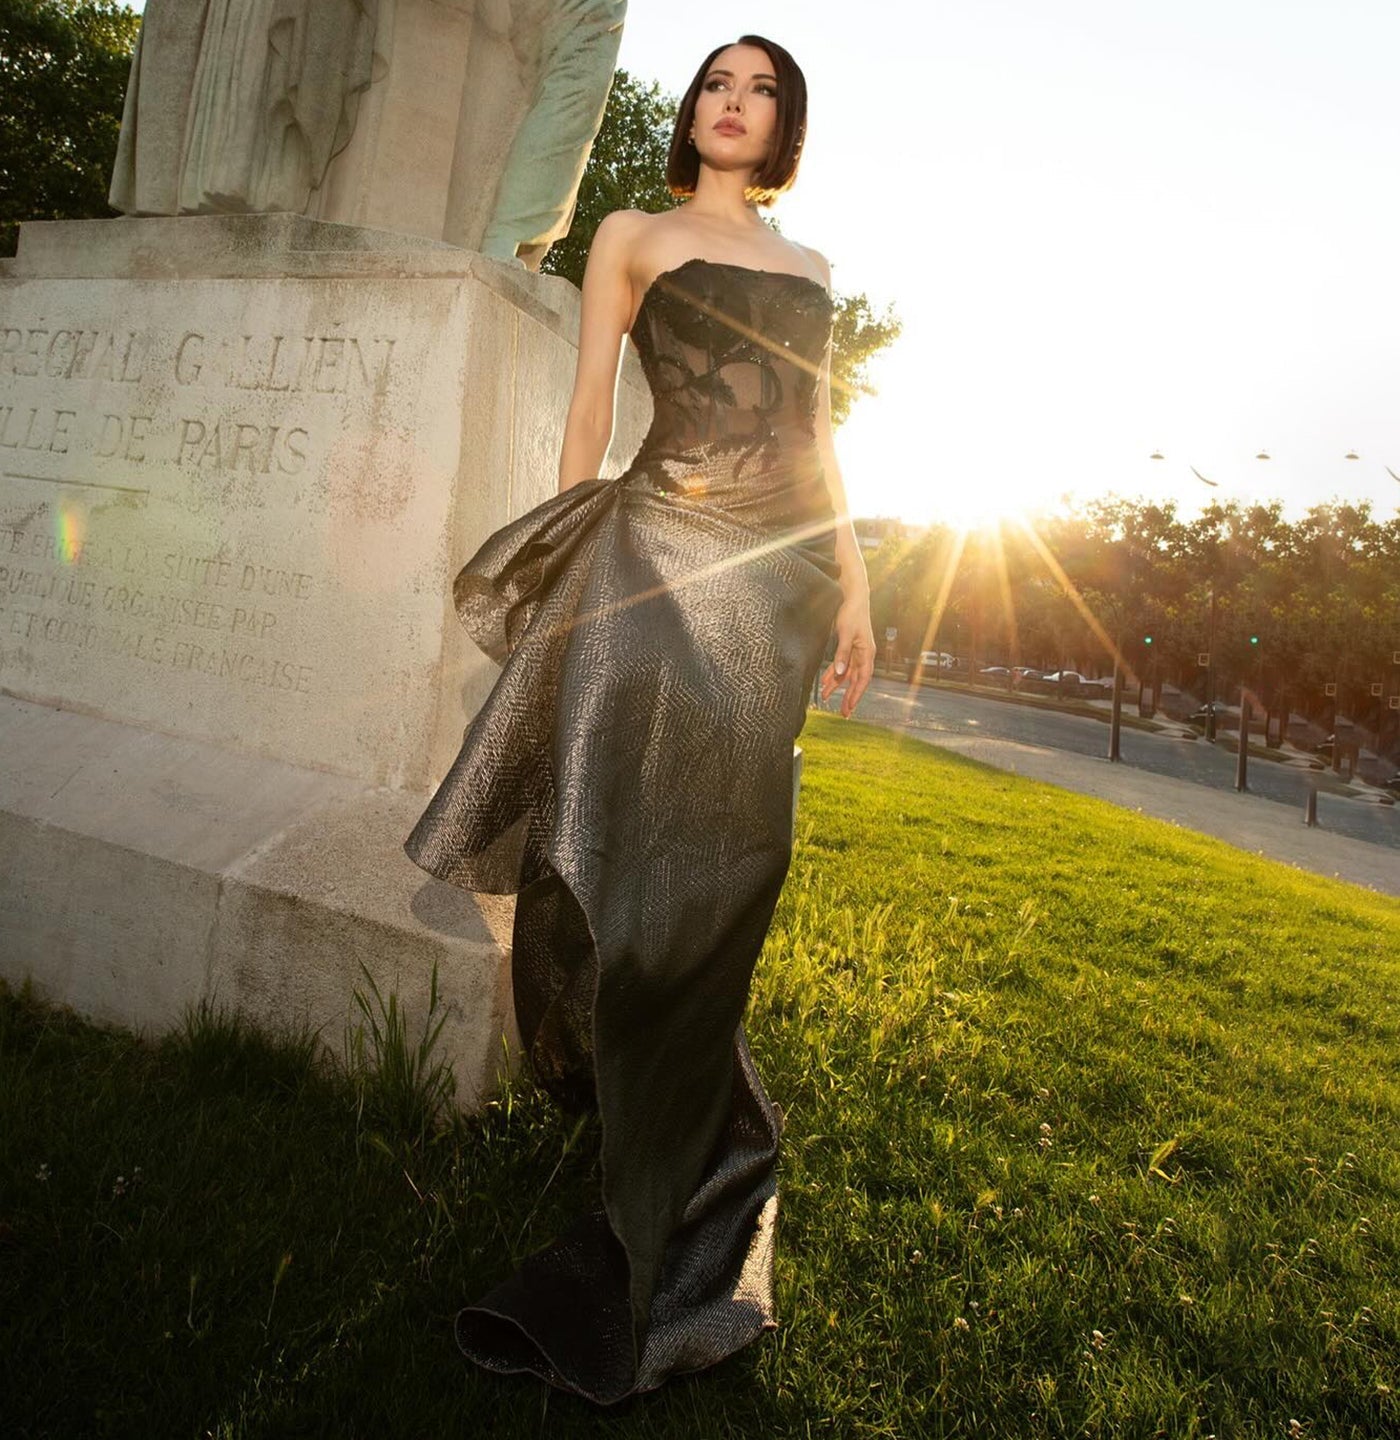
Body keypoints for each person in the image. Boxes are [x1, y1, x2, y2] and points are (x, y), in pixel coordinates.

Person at [403, 33, 875, 1404]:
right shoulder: (630, 232)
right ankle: (638, 1117)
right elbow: (595, 404)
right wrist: (569, 547)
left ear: (785, 124)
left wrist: (855, 588)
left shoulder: (817, 274)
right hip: (655, 549)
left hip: (777, 586)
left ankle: (699, 1148)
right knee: (611, 835)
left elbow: (819, 438)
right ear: (693, 114)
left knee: (736, 866)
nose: (736, 103)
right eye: (718, 83)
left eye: (763, 88)